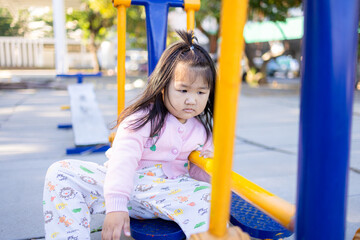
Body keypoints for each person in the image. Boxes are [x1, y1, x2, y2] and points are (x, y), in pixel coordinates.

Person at [43, 30, 217, 240]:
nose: (192, 100)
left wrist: (210, 166)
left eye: (201, 92)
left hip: (168, 193)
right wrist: (116, 205)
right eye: (183, 90)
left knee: (212, 198)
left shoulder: (201, 132)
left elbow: (200, 177)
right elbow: (122, 162)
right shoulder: (142, 119)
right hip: (124, 185)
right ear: (163, 87)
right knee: (61, 172)